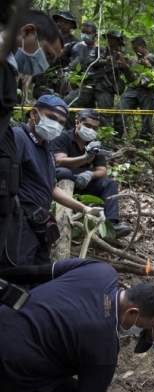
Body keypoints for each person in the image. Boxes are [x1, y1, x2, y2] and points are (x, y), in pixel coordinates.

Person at [0, 258, 154, 392]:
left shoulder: (100, 271)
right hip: (10, 367)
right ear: (131, 312)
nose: (137, 332)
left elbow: (37, 271)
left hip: (5, 319)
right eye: (140, 327)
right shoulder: (104, 348)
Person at [0, 96, 104, 271]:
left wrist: (84, 209)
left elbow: (51, 188)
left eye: (62, 122)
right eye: (52, 118)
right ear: (34, 113)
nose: (56, 125)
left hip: (38, 226)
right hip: (17, 225)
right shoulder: (17, 138)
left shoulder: (47, 151)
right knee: (17, 279)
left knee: (40, 279)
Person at [0, 9, 64, 262]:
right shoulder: (20, 137)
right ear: (27, 32)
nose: (45, 65)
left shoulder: (45, 148)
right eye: (47, 55)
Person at [51, 108, 132, 239]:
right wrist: (85, 158)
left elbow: (102, 171)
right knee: (64, 172)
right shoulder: (62, 137)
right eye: (88, 126)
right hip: (61, 182)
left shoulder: (95, 145)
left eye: (95, 128)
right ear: (77, 123)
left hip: (83, 183)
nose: (91, 130)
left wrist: (90, 175)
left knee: (109, 183)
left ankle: (112, 226)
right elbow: (59, 161)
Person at [64, 29, 129, 120]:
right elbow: (88, 61)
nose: (109, 40)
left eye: (112, 38)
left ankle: (105, 133)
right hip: (89, 85)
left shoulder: (123, 58)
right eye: (108, 37)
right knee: (67, 105)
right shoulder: (98, 50)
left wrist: (125, 66)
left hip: (105, 89)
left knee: (105, 116)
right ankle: (72, 132)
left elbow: (131, 79)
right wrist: (104, 61)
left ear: (118, 41)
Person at [112, 36, 154, 143]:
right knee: (120, 108)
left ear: (143, 46)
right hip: (133, 89)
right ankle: (117, 138)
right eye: (133, 48)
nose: (135, 51)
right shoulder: (133, 60)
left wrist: (149, 66)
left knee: (146, 117)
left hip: (148, 91)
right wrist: (125, 66)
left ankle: (145, 141)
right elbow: (131, 78)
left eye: (136, 48)